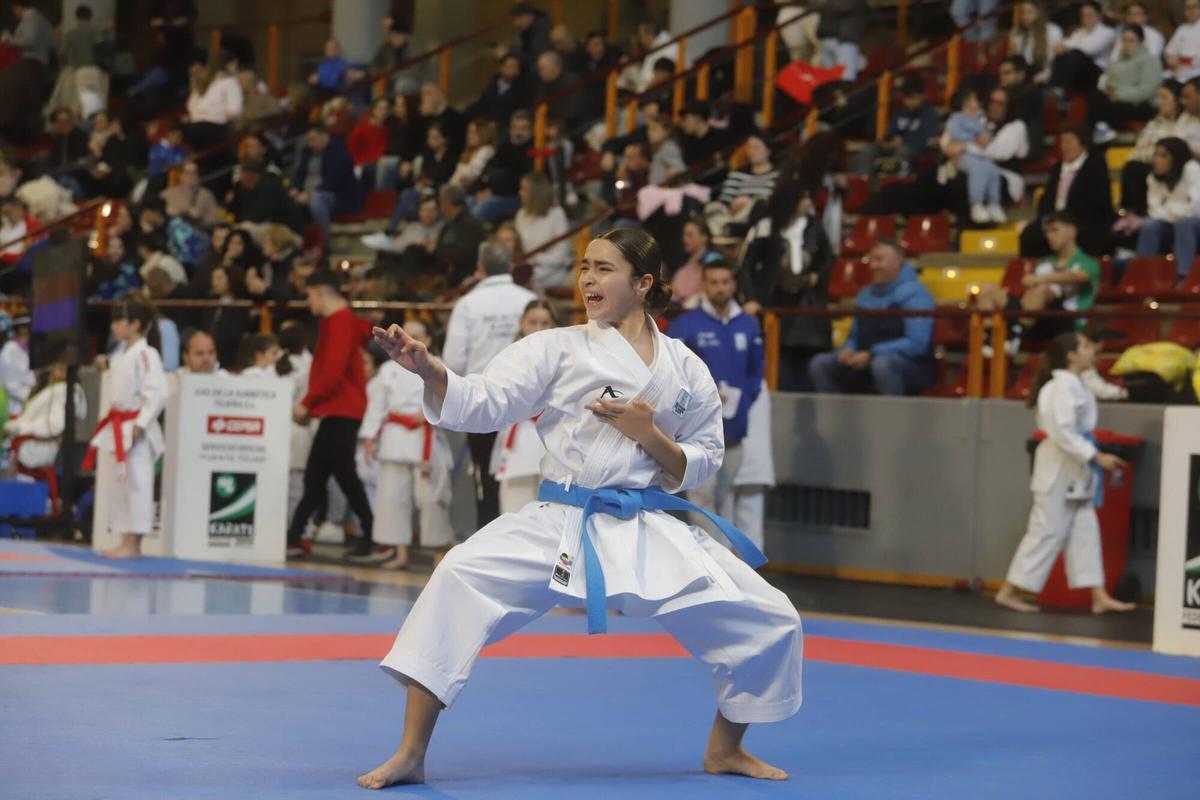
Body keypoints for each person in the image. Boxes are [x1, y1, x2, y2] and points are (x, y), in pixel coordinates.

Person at [358, 227, 800, 790]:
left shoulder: (685, 366)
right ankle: (410, 753)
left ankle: (725, 748)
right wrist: (430, 370)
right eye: (584, 267)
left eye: (604, 269)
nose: (587, 279)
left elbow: (706, 457)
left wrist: (650, 435)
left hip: (644, 524)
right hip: (564, 519)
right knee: (458, 575)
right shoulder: (556, 347)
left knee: (771, 617)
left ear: (643, 283)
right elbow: (485, 402)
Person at [994, 331, 1138, 615]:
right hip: (1059, 467)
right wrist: (1096, 455)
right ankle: (1008, 591)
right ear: (1071, 355)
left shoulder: (1077, 384)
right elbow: (1062, 432)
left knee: (1085, 530)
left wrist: (1090, 458)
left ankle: (1098, 595)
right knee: (1046, 531)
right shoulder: (1060, 388)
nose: (1092, 350)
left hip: (1076, 468)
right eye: (1085, 346)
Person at [441, 240, 537, 528]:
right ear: (509, 267)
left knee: (486, 478)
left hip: (483, 401)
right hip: (526, 403)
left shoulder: (468, 304)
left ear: (480, 268)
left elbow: (453, 361)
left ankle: (490, 544)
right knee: (530, 476)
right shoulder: (527, 300)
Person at [287, 271, 379, 560]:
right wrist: (313, 406)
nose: (309, 302)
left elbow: (331, 371)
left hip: (341, 410)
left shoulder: (338, 324)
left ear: (321, 293)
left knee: (336, 476)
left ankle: (371, 532)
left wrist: (307, 404)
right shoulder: (341, 323)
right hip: (339, 410)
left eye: (310, 295)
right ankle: (297, 535)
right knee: (321, 476)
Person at [668, 258, 764, 529]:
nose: (720, 288)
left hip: (734, 429)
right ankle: (715, 565)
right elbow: (671, 376)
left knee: (724, 498)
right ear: (704, 286)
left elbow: (756, 373)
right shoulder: (685, 326)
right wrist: (702, 399)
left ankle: (720, 564)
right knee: (702, 501)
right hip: (696, 433)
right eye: (714, 282)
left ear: (734, 285)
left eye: (725, 282)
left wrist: (744, 400)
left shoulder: (748, 324)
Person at [361, 317, 455, 571]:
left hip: (424, 437)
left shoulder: (438, 366)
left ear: (429, 339)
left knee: (431, 499)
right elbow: (376, 406)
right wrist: (370, 437)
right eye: (405, 334)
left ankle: (438, 551)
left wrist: (426, 413)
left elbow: (451, 399)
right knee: (392, 497)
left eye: (417, 334)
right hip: (394, 436)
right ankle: (399, 551)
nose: (409, 339)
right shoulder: (388, 370)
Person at [85, 298, 168, 560]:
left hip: (134, 428)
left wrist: (141, 422)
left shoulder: (147, 353)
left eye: (118, 321)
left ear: (134, 324)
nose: (113, 326)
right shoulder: (121, 354)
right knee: (119, 486)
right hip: (117, 425)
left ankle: (135, 544)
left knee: (138, 484)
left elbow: (157, 393)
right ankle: (124, 540)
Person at [809, 239, 935, 396]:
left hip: (910, 366)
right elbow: (854, 336)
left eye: (879, 260)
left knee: (882, 365)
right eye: (871, 260)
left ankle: (890, 417)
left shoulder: (916, 294)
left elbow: (917, 343)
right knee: (821, 364)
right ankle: (833, 416)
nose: (872, 266)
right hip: (865, 361)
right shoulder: (865, 294)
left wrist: (872, 354)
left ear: (897, 262)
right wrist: (849, 350)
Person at [739, 188, 833, 392]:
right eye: (803, 197)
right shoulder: (766, 226)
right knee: (779, 369)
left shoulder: (814, 226)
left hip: (808, 309)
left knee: (806, 371)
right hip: (775, 304)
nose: (807, 202)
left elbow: (828, 258)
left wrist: (818, 274)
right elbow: (746, 266)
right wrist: (750, 298)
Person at [980, 211, 1101, 354]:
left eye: (1055, 230)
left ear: (1072, 231)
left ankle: (1013, 336)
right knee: (988, 290)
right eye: (1047, 232)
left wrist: (1041, 279)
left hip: (1066, 320)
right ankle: (990, 338)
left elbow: (1079, 276)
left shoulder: (1088, 262)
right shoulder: (1044, 262)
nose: (1049, 236)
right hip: (1034, 316)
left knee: (1042, 289)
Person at [491, 300, 557, 514]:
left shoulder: (565, 355)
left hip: (552, 433)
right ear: (521, 323)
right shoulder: (509, 356)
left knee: (551, 508)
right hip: (518, 433)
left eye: (545, 322)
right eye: (533, 322)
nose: (538, 328)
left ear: (554, 325)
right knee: (514, 507)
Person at [1019, 126, 1113, 258]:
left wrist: (1066, 220)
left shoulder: (1096, 166)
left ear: (1083, 145)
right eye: (1062, 142)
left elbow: (1098, 202)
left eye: (1069, 142)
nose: (1064, 147)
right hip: (1055, 218)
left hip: (1082, 220)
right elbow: (1047, 199)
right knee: (1030, 234)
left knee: (1069, 232)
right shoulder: (1057, 168)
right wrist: (1047, 220)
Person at [1133, 137, 1200, 282]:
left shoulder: (1191, 168)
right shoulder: (1153, 177)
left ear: (1176, 157)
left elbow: (1196, 208)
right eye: (1156, 155)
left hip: (1194, 224)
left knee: (1185, 223)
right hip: (1172, 223)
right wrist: (1178, 208)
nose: (1157, 160)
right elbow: (1153, 211)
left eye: (1163, 156)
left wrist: (1169, 209)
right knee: (1150, 225)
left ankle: (1184, 277)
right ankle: (1142, 276)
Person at [4, 358, 87, 475]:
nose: (62, 366)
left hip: (34, 449)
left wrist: (17, 428)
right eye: (59, 360)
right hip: (21, 444)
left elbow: (54, 426)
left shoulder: (69, 392)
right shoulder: (47, 386)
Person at [1088, 24, 1161, 145]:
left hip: (1139, 104)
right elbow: (1108, 82)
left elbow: (1148, 90)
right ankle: (1101, 128)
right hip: (1115, 100)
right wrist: (1108, 90)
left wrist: (1119, 95)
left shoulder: (1150, 60)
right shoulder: (1116, 61)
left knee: (1108, 107)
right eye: (1124, 40)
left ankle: (1101, 129)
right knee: (1093, 93)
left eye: (1131, 40)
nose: (1127, 44)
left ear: (1141, 41)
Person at [1120, 81, 1184, 215]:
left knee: (1137, 169)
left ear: (1178, 99)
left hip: (1174, 169)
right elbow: (1138, 151)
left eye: (1164, 97)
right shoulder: (1154, 123)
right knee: (1132, 166)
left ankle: (1141, 214)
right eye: (1158, 98)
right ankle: (1130, 214)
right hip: (1148, 165)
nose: (1159, 102)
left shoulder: (1184, 123)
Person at [945, 88, 1008, 224]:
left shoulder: (977, 119)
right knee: (978, 171)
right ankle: (976, 204)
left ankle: (994, 204)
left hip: (979, 155)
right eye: (974, 99)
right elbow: (955, 134)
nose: (977, 102)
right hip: (964, 156)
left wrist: (984, 138)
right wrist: (973, 138)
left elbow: (985, 136)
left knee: (993, 170)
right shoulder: (956, 119)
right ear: (966, 102)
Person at [290, 124, 360, 243]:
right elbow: (299, 174)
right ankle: (295, 244)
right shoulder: (306, 152)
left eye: (313, 139)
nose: (310, 144)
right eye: (308, 140)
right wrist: (295, 188)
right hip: (307, 191)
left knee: (317, 200)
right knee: (286, 200)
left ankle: (323, 244)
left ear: (324, 136)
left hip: (335, 195)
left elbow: (335, 180)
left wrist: (310, 194)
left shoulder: (340, 151)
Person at [276, 320, 314, 526]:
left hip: (279, 429)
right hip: (300, 429)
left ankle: (281, 530)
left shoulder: (275, 364)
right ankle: (299, 530)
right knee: (298, 487)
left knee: (279, 485)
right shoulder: (310, 366)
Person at [705, 133, 779, 237]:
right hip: (733, 215)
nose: (752, 152)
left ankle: (732, 231)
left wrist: (749, 202)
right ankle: (726, 231)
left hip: (757, 215)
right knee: (712, 207)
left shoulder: (777, 176)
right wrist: (733, 206)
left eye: (756, 147)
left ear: (768, 150)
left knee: (759, 205)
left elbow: (774, 201)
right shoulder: (737, 174)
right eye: (749, 148)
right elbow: (724, 201)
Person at [514, 172, 571, 290]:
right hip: (527, 268)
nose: (520, 193)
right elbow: (518, 249)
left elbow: (561, 255)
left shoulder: (556, 214)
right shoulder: (521, 215)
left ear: (536, 193)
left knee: (523, 281)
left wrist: (538, 260)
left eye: (524, 189)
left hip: (552, 270)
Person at [1049, 1, 1117, 90]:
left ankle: (1059, 88)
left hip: (1098, 71)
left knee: (1075, 54)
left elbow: (1089, 49)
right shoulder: (1078, 32)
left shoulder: (1108, 32)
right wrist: (1066, 45)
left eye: (1090, 15)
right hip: (1079, 70)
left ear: (1100, 16)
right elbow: (1061, 45)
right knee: (1062, 55)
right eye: (1083, 16)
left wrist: (1066, 45)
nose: (1086, 18)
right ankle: (1054, 88)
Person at [434, 185, 487, 288]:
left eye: (440, 201)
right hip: (450, 273)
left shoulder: (471, 225)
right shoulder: (450, 223)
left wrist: (441, 251)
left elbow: (464, 254)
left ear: (447, 202)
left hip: (467, 276)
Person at [1009, 1, 1063, 83]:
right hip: (1023, 74)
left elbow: (1054, 63)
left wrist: (1041, 78)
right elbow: (1014, 61)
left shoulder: (1052, 30)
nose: (1025, 16)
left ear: (1039, 12)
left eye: (1029, 12)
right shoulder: (1016, 32)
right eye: (1022, 12)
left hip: (1043, 74)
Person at [161, 161, 223, 228]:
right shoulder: (167, 194)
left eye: (194, 173)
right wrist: (170, 214)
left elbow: (217, 218)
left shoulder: (205, 194)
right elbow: (157, 216)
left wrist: (201, 217)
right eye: (187, 173)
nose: (191, 176)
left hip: (199, 233)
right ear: (181, 175)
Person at [0, 313, 34, 415]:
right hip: (13, 409)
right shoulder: (10, 350)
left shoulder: (28, 348)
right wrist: (31, 396)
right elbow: (10, 385)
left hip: (26, 406)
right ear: (22, 329)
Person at [1165, 0, 1200, 82]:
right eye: (1188, 8)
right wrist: (1171, 59)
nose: (1192, 11)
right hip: (1178, 71)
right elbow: (1170, 50)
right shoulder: (1181, 29)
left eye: (1195, 7)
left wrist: (1188, 63)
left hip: (1196, 72)